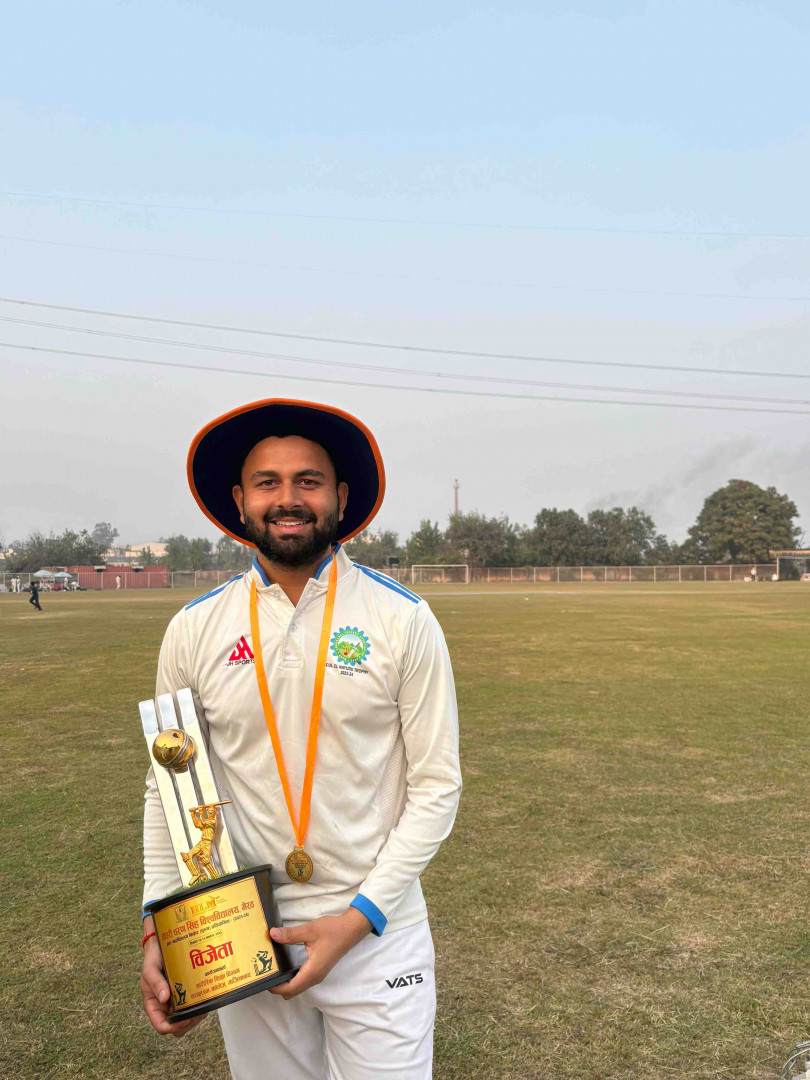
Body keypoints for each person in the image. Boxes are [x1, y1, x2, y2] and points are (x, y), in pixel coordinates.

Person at [139, 399, 461, 1080]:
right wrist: (157, 928)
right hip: (247, 932)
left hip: (376, 930)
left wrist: (356, 920)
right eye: (268, 482)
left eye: (308, 481)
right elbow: (168, 789)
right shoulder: (194, 628)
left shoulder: (403, 618)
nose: (288, 499)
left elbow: (437, 787)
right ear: (240, 501)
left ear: (340, 496)